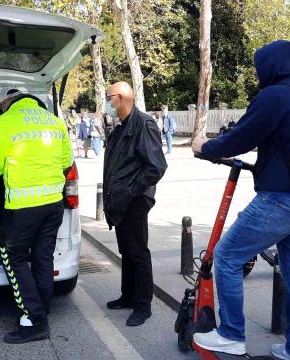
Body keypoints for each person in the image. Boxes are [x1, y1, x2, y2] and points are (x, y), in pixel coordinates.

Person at [191, 40, 290, 360]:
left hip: (280, 200)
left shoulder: (274, 96)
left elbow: (240, 138)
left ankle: (232, 334)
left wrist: (204, 147)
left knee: (226, 256)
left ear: (269, 66)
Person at [0, 87, 73, 344]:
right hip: (53, 204)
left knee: (11, 255)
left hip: (23, 206)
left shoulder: (5, 122)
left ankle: (34, 319)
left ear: (5, 104)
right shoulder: (55, 121)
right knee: (42, 257)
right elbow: (66, 162)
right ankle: (42, 309)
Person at [103, 81, 167, 326]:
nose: (107, 103)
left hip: (135, 200)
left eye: (109, 98)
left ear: (121, 98)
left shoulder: (143, 124)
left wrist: (131, 190)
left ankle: (143, 306)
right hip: (120, 200)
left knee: (138, 252)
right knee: (126, 250)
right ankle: (127, 296)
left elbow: (156, 167)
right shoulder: (121, 126)